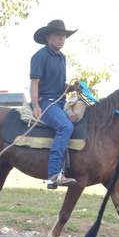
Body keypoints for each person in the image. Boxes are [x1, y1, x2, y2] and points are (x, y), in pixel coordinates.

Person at [29, 19, 78, 189]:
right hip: (46, 103)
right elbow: (35, 83)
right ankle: (54, 174)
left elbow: (59, 85)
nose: (61, 39)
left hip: (60, 103)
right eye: (57, 35)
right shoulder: (40, 56)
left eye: (64, 36)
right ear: (48, 37)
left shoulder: (62, 58)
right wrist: (36, 106)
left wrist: (71, 88)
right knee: (65, 127)